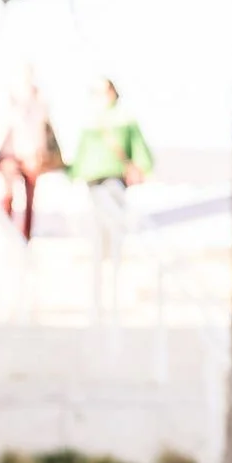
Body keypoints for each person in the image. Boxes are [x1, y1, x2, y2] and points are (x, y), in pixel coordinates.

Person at [69, 78, 153, 312]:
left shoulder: (123, 119)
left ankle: (113, 292)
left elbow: (141, 153)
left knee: (114, 233)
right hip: (94, 185)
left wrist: (141, 168)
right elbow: (80, 159)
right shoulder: (91, 121)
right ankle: (99, 296)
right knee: (100, 237)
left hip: (113, 184)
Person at [0, 71, 62, 242]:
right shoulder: (10, 104)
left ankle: (25, 237)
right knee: (9, 193)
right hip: (10, 154)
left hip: (31, 155)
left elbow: (41, 131)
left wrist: (39, 153)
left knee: (30, 197)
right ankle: (6, 231)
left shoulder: (39, 106)